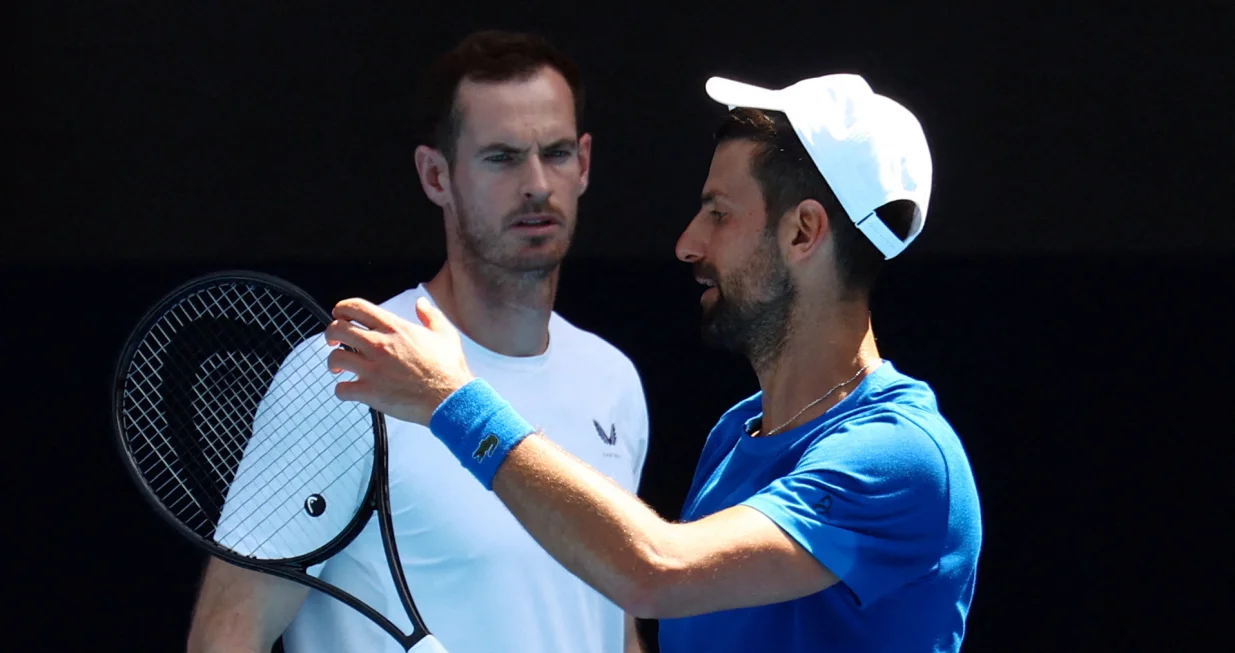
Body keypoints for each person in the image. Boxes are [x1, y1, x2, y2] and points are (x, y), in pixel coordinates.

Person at [323, 72, 983, 652]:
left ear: (802, 232)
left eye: (717, 213)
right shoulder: (736, 434)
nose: (686, 243)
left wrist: (452, 399)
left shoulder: (901, 457)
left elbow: (656, 570)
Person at [185, 30, 652, 653]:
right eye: (502, 157)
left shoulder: (612, 380)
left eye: (557, 153)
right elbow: (225, 638)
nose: (537, 183)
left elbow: (610, 625)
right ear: (436, 175)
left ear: (585, 163)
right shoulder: (350, 371)